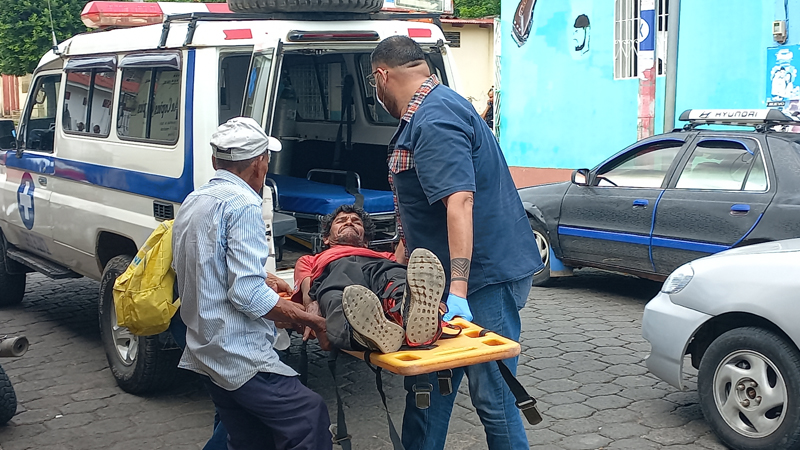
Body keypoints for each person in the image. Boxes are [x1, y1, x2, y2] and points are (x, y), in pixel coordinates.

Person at [369, 36, 543, 450]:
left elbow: (459, 201)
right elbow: (420, 204)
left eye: (374, 85)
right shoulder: (428, 111)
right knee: (429, 388)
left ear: (382, 76)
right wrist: (400, 255)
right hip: (440, 286)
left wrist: (459, 290)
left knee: (494, 394)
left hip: (481, 280)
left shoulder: (435, 116)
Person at [172, 117, 333, 450]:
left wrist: (265, 280)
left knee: (249, 437)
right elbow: (245, 293)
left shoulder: (196, 200)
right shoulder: (243, 204)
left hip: (206, 344)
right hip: (236, 351)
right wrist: (309, 319)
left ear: (216, 161)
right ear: (260, 164)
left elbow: (202, 267)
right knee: (308, 416)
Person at [291, 204, 445, 354]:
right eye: (341, 221)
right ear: (326, 238)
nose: (349, 222)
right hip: (335, 270)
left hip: (378, 265)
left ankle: (407, 316)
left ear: (365, 240)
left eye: (356, 222)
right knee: (336, 295)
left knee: (397, 279)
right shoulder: (309, 260)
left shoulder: (386, 258)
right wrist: (311, 307)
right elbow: (307, 289)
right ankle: (359, 333)